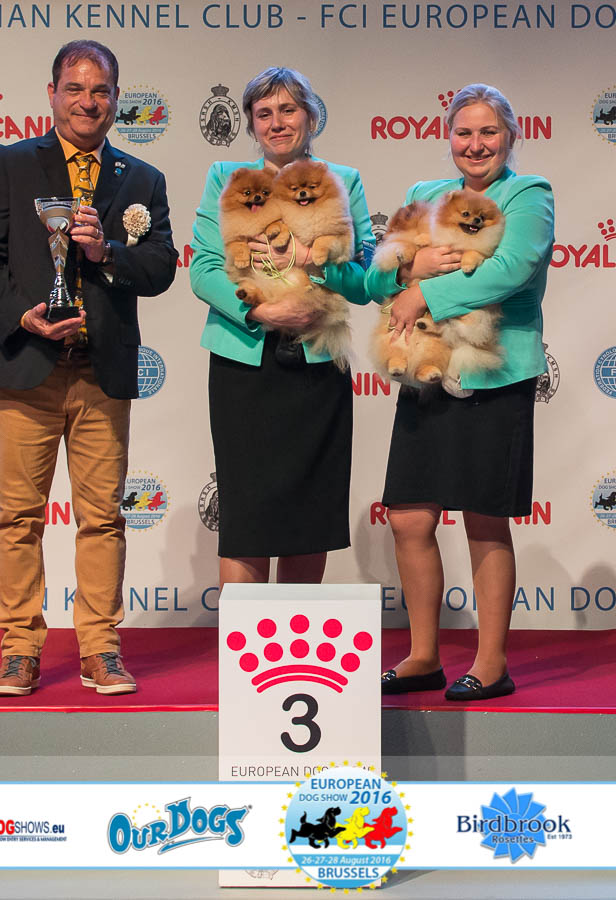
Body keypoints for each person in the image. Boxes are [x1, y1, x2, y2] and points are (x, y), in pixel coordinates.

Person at [0, 40, 178, 697]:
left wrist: (108, 252)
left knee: (103, 517)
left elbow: (160, 267)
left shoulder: (142, 180)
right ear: (52, 94)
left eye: (100, 90)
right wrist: (19, 317)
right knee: (19, 517)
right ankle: (19, 651)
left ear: (117, 99)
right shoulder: (9, 163)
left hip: (100, 371)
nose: (88, 102)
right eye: (75, 89)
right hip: (26, 362)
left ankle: (100, 648)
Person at [365, 83, 554, 701]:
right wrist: (408, 270)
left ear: (510, 136)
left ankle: (491, 663)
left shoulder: (529, 193)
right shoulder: (425, 194)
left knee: (485, 520)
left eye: (488, 132)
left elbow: (512, 269)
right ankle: (423, 656)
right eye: (464, 132)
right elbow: (377, 277)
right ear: (449, 138)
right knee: (408, 517)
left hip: (496, 373)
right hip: (427, 372)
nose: (476, 144)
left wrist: (424, 291)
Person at [190, 66, 373, 587]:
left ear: (310, 116)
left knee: (308, 518)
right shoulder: (225, 177)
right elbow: (203, 270)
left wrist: (313, 261)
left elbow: (363, 281)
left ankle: (296, 638)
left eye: (288, 109)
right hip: (244, 365)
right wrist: (261, 312)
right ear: (251, 123)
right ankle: (247, 640)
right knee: (247, 520)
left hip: (317, 365)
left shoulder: (344, 180)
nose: (277, 122)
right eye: (264, 113)